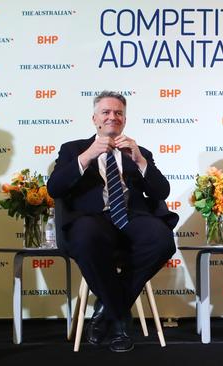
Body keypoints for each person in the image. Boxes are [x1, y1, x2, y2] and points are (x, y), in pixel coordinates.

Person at [47, 91, 177, 352]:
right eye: (106, 112)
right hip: (93, 219)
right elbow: (55, 188)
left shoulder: (139, 152)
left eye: (118, 113)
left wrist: (139, 160)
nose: (112, 117)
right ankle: (120, 320)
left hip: (132, 218)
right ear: (94, 118)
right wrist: (86, 157)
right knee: (85, 236)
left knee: (162, 240)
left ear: (124, 120)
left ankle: (107, 308)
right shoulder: (73, 149)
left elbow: (161, 192)